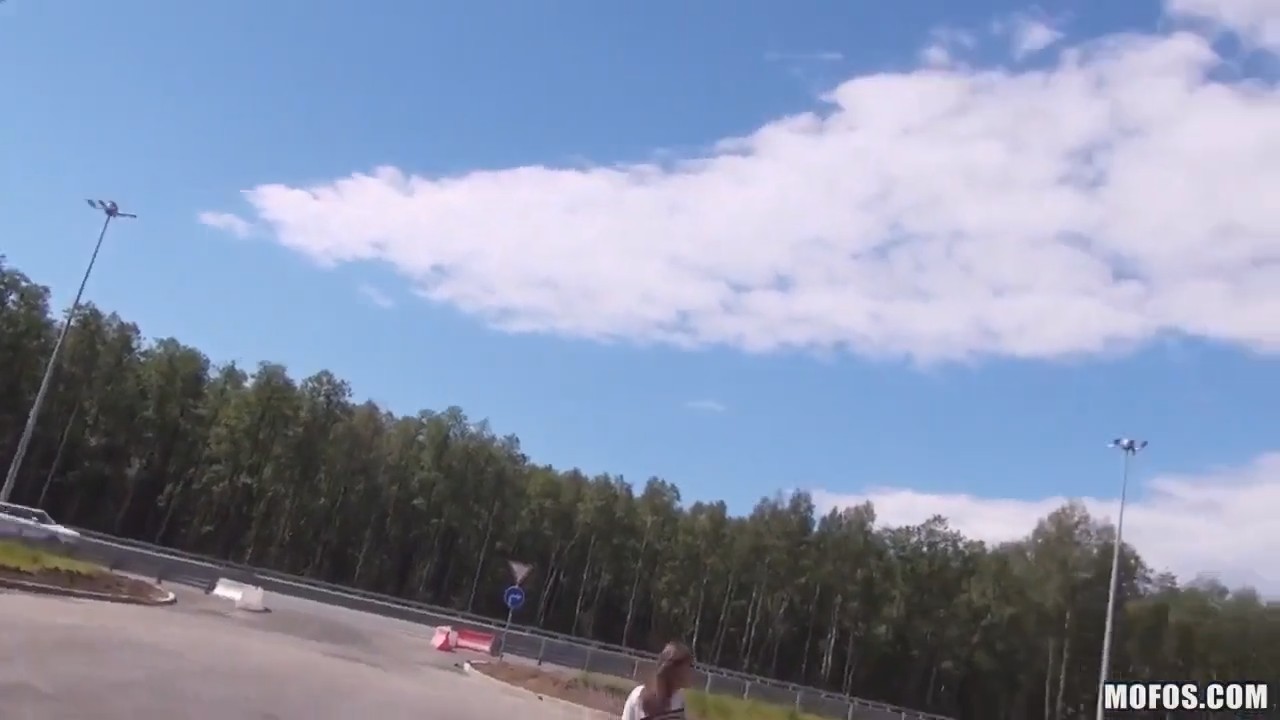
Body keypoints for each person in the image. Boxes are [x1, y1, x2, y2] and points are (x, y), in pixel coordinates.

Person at [621, 641, 694, 720]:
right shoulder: (637, 697)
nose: (691, 671)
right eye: (689, 666)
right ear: (675, 671)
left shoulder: (679, 699)